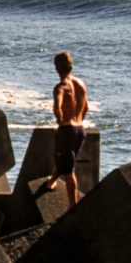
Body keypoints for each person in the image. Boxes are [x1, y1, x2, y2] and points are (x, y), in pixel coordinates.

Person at [46, 51, 88, 208]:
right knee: (67, 160)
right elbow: (86, 107)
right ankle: (52, 181)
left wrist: (60, 120)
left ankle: (72, 207)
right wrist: (78, 120)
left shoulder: (61, 87)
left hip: (67, 130)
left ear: (56, 68)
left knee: (70, 170)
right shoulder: (80, 84)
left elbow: (57, 107)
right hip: (80, 129)